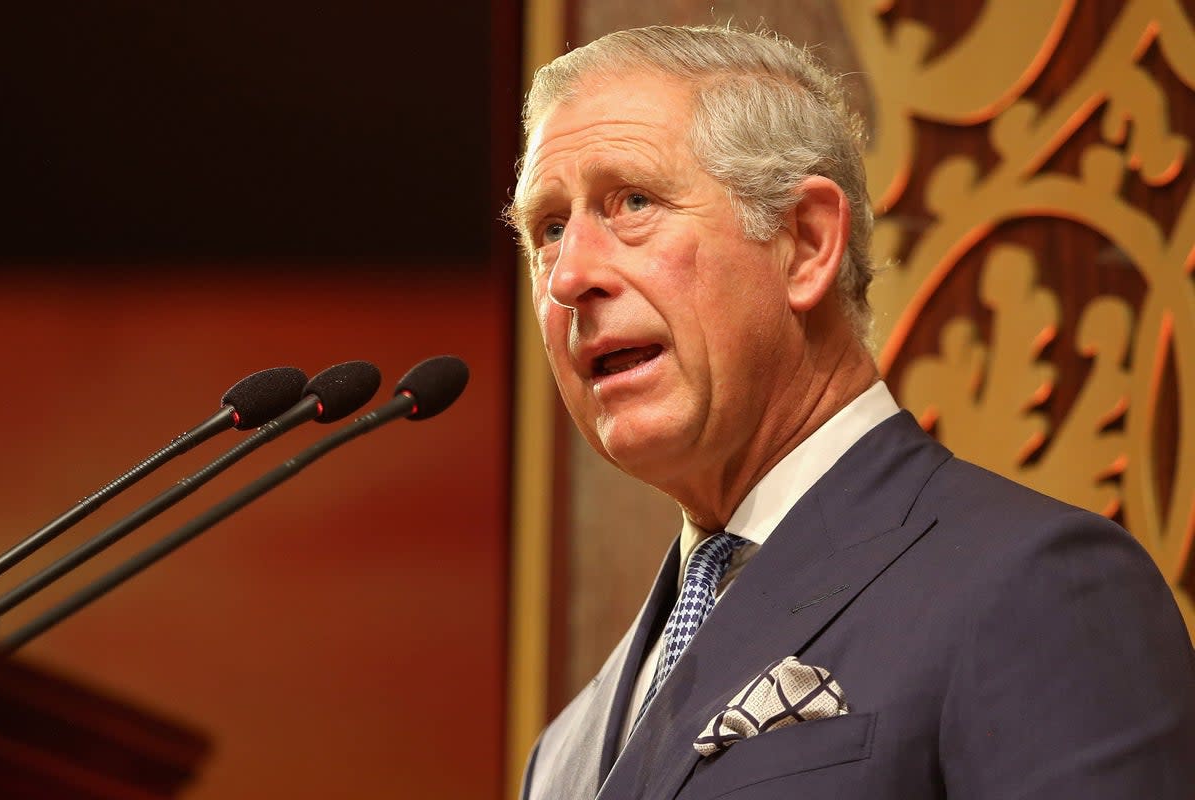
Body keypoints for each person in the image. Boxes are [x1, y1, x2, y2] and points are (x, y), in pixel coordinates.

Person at [507, 24, 1195, 800]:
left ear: (805, 243)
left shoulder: (1037, 589)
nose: (570, 277)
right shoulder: (562, 751)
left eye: (633, 202)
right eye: (549, 231)